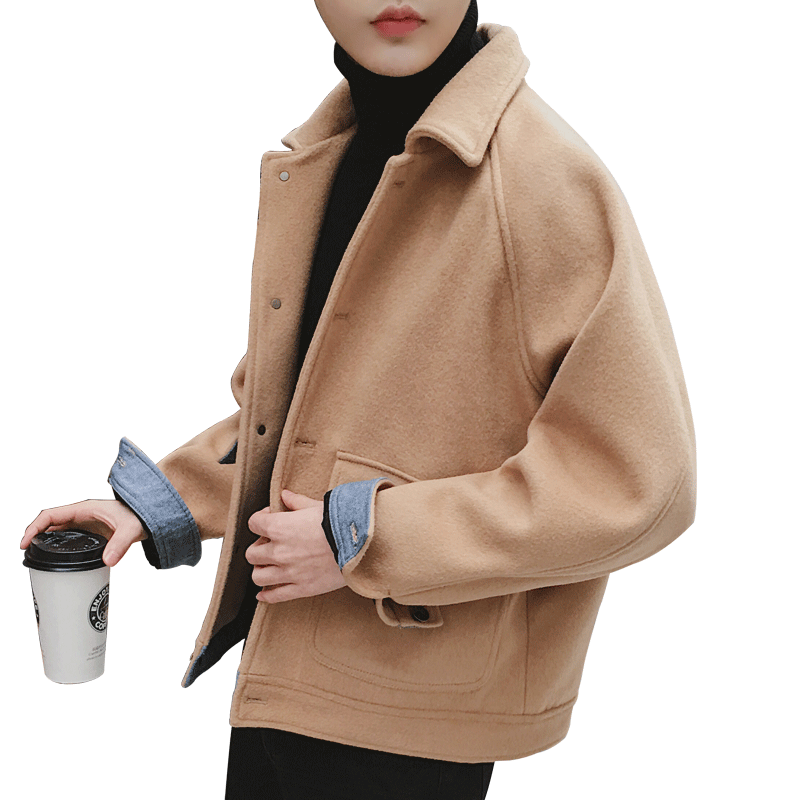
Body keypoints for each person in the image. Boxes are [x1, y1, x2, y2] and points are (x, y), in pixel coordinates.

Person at [21, 1, 697, 798]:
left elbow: (637, 483)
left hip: (411, 710)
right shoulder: (334, 151)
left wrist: (366, 539)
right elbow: (304, 413)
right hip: (290, 676)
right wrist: (158, 502)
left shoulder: (544, 181)